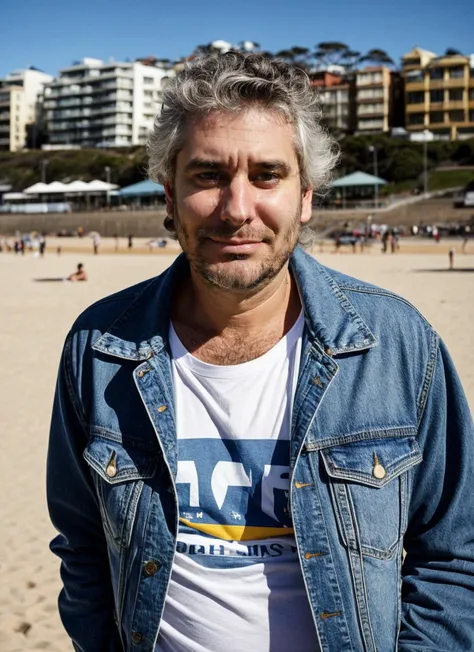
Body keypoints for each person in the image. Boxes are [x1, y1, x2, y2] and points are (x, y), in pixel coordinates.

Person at [47, 53, 474, 652]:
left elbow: (455, 555)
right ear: (169, 196)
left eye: (267, 175)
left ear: (306, 197)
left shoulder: (398, 346)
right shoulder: (99, 348)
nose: (237, 208)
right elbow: (82, 544)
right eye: (208, 175)